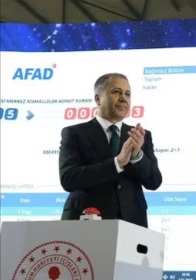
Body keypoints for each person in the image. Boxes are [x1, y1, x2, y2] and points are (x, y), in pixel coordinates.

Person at [59, 73, 162, 228]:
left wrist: (137, 156)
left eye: (127, 94)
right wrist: (117, 163)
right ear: (98, 99)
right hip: (85, 224)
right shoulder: (74, 133)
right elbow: (68, 179)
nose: (124, 98)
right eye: (116, 92)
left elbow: (154, 182)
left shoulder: (140, 136)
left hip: (132, 225)